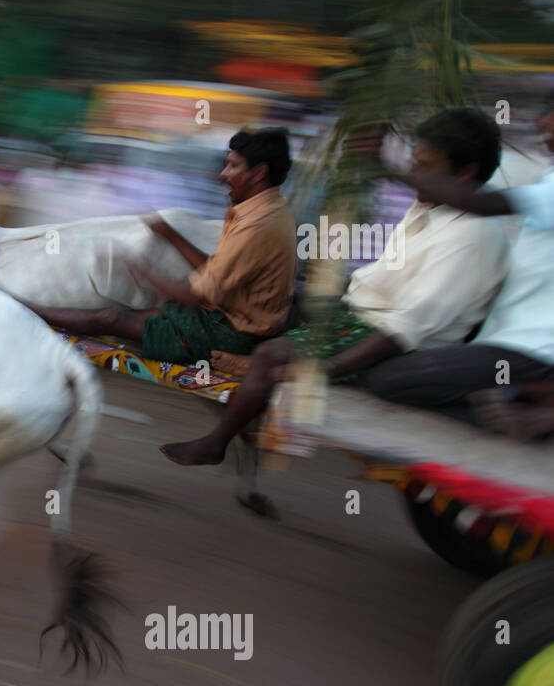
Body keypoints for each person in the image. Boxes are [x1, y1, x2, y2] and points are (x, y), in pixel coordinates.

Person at [160, 107, 510, 466]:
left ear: (465, 173)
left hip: (398, 341)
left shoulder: (472, 236)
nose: (414, 176)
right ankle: (253, 383)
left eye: (425, 167)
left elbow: (406, 328)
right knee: (284, 298)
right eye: (414, 163)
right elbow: (386, 275)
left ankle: (220, 440)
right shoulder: (430, 207)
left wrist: (324, 369)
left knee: (270, 354)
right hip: (364, 312)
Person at [360, 92, 554, 440]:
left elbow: (476, 202)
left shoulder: (478, 226)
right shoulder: (547, 181)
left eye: (550, 113)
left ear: (465, 172)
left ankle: (527, 416)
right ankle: (523, 397)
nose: (541, 122)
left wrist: (387, 168)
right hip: (506, 343)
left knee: (391, 380)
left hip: (530, 352)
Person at [26, 127, 297, 366]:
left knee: (110, 319)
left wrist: (137, 267)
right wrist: (170, 234)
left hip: (229, 334)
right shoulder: (264, 210)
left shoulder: (257, 226)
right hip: (224, 319)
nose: (222, 175)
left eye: (233, 166)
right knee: (121, 313)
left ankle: (23, 310)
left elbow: (192, 297)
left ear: (259, 173)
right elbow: (214, 271)